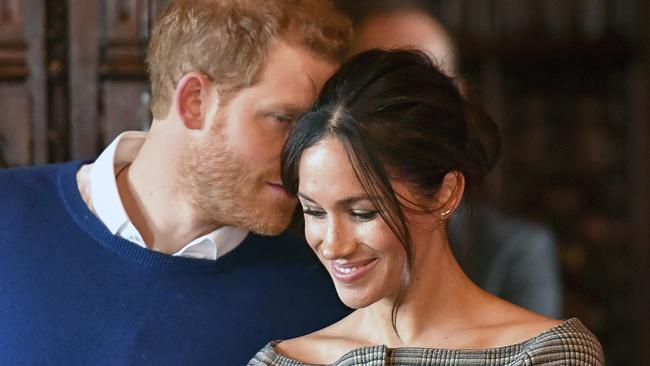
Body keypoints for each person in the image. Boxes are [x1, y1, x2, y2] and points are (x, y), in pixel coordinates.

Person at [0, 1, 352, 364]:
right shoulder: (6, 215)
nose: (303, 159)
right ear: (194, 102)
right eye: (282, 119)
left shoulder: (321, 299)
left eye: (314, 131)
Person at [249, 50, 603, 365]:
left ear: (444, 194)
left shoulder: (545, 353)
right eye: (315, 212)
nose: (333, 244)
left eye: (361, 213)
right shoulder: (280, 361)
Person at [351, 8, 563, 318]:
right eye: (373, 85)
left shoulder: (515, 249)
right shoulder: (309, 243)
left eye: (413, 87)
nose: (390, 107)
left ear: (456, 96)